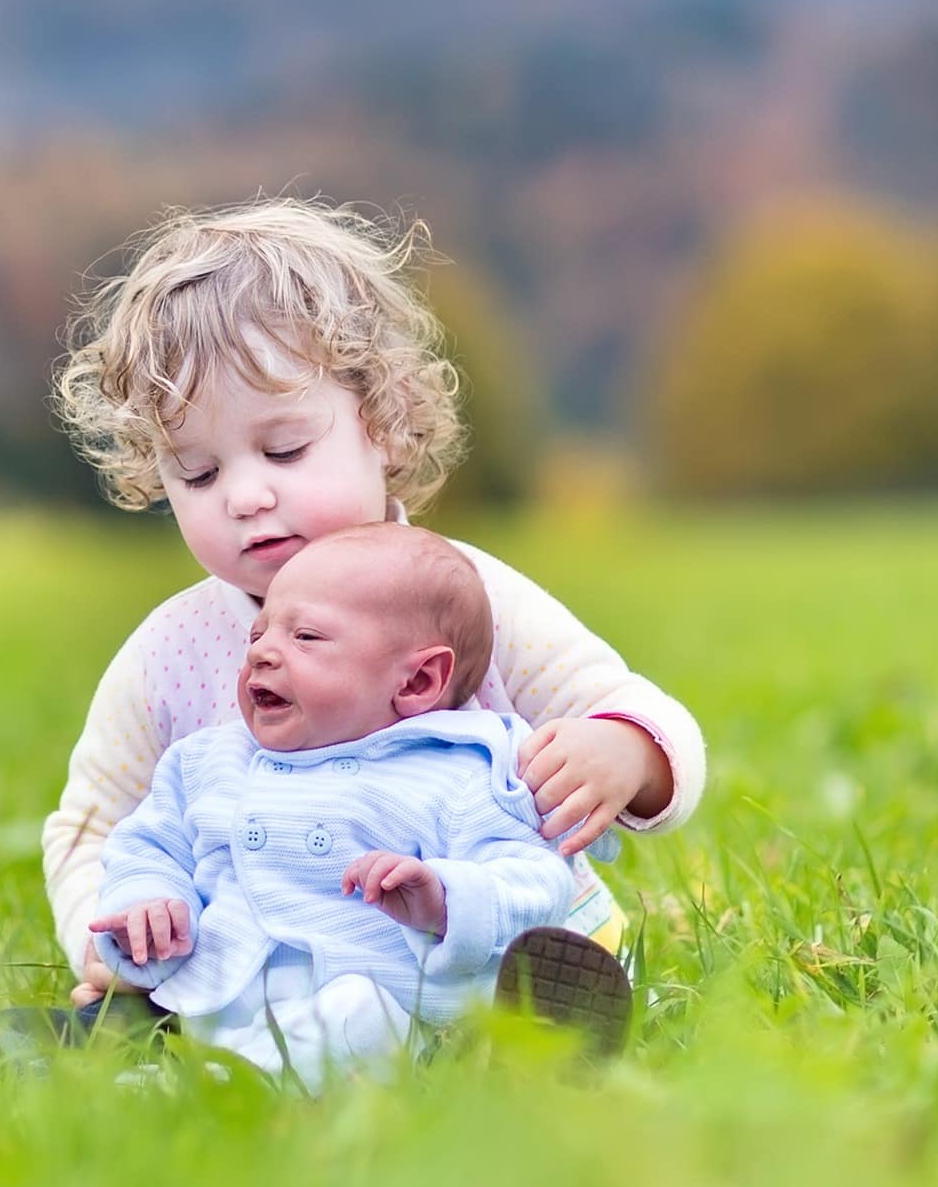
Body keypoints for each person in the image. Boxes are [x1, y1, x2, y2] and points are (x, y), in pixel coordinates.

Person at [44, 197, 704, 1029]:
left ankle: (550, 1033)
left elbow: (637, 710)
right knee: (121, 1034)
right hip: (252, 983)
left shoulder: (471, 598)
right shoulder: (172, 653)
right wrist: (109, 938)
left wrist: (625, 751)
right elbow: (92, 824)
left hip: (465, 963)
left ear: (382, 427)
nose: (246, 496)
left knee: (516, 1007)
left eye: (285, 449)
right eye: (198, 474)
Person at [88, 522, 572, 1091]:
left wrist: (444, 897)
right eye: (258, 634)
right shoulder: (207, 761)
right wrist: (147, 901)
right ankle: (2, 1056)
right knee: (99, 1026)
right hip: (209, 995)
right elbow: (148, 845)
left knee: (361, 1016)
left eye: (307, 638)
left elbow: (537, 884)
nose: (263, 653)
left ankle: (220, 1087)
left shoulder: (457, 770)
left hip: (372, 1005)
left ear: (417, 680)